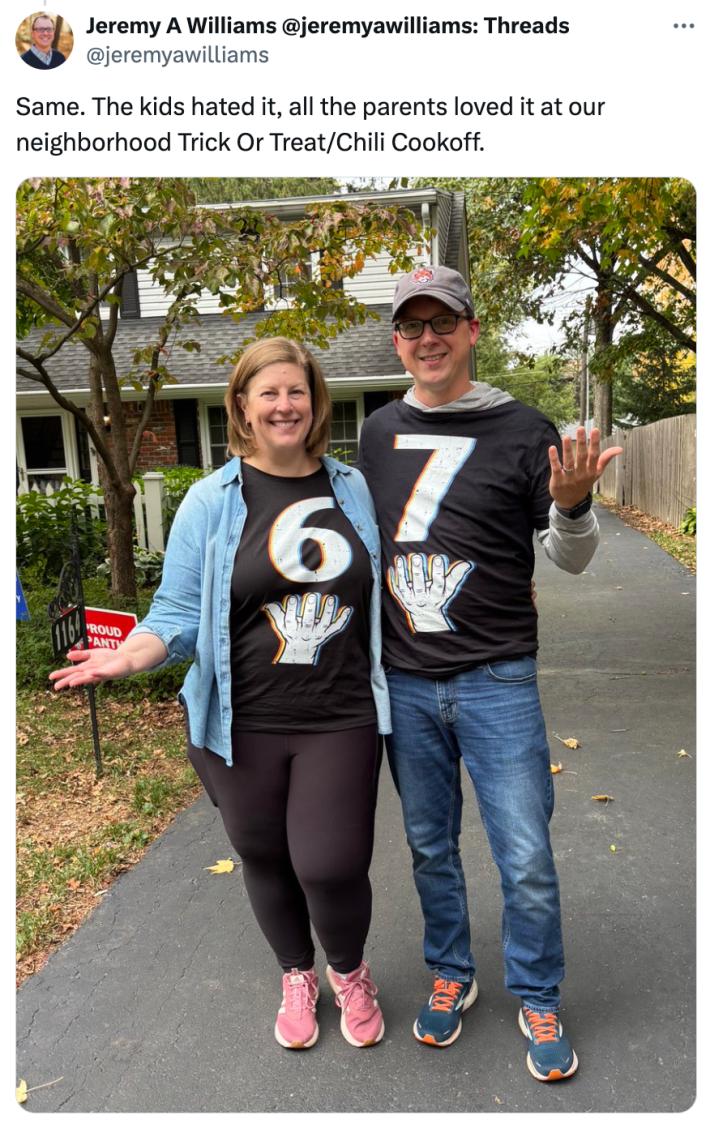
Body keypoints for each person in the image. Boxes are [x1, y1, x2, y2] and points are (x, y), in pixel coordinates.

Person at [50, 338, 389, 1052]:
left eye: (296, 391)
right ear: (241, 405)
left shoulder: (352, 489)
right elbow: (175, 613)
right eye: (268, 393)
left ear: (315, 402)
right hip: (240, 722)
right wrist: (130, 656)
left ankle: (350, 972)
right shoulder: (211, 500)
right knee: (264, 855)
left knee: (329, 864)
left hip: (341, 713)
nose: (284, 406)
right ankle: (296, 973)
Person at [357, 266, 622, 1081]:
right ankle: (452, 973)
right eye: (412, 326)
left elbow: (571, 560)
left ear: (473, 330)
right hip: (406, 680)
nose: (428, 339)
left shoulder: (524, 428)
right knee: (428, 847)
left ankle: (537, 993)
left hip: (496, 680)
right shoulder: (376, 433)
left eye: (443, 322)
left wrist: (573, 504)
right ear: (397, 341)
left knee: (525, 854)